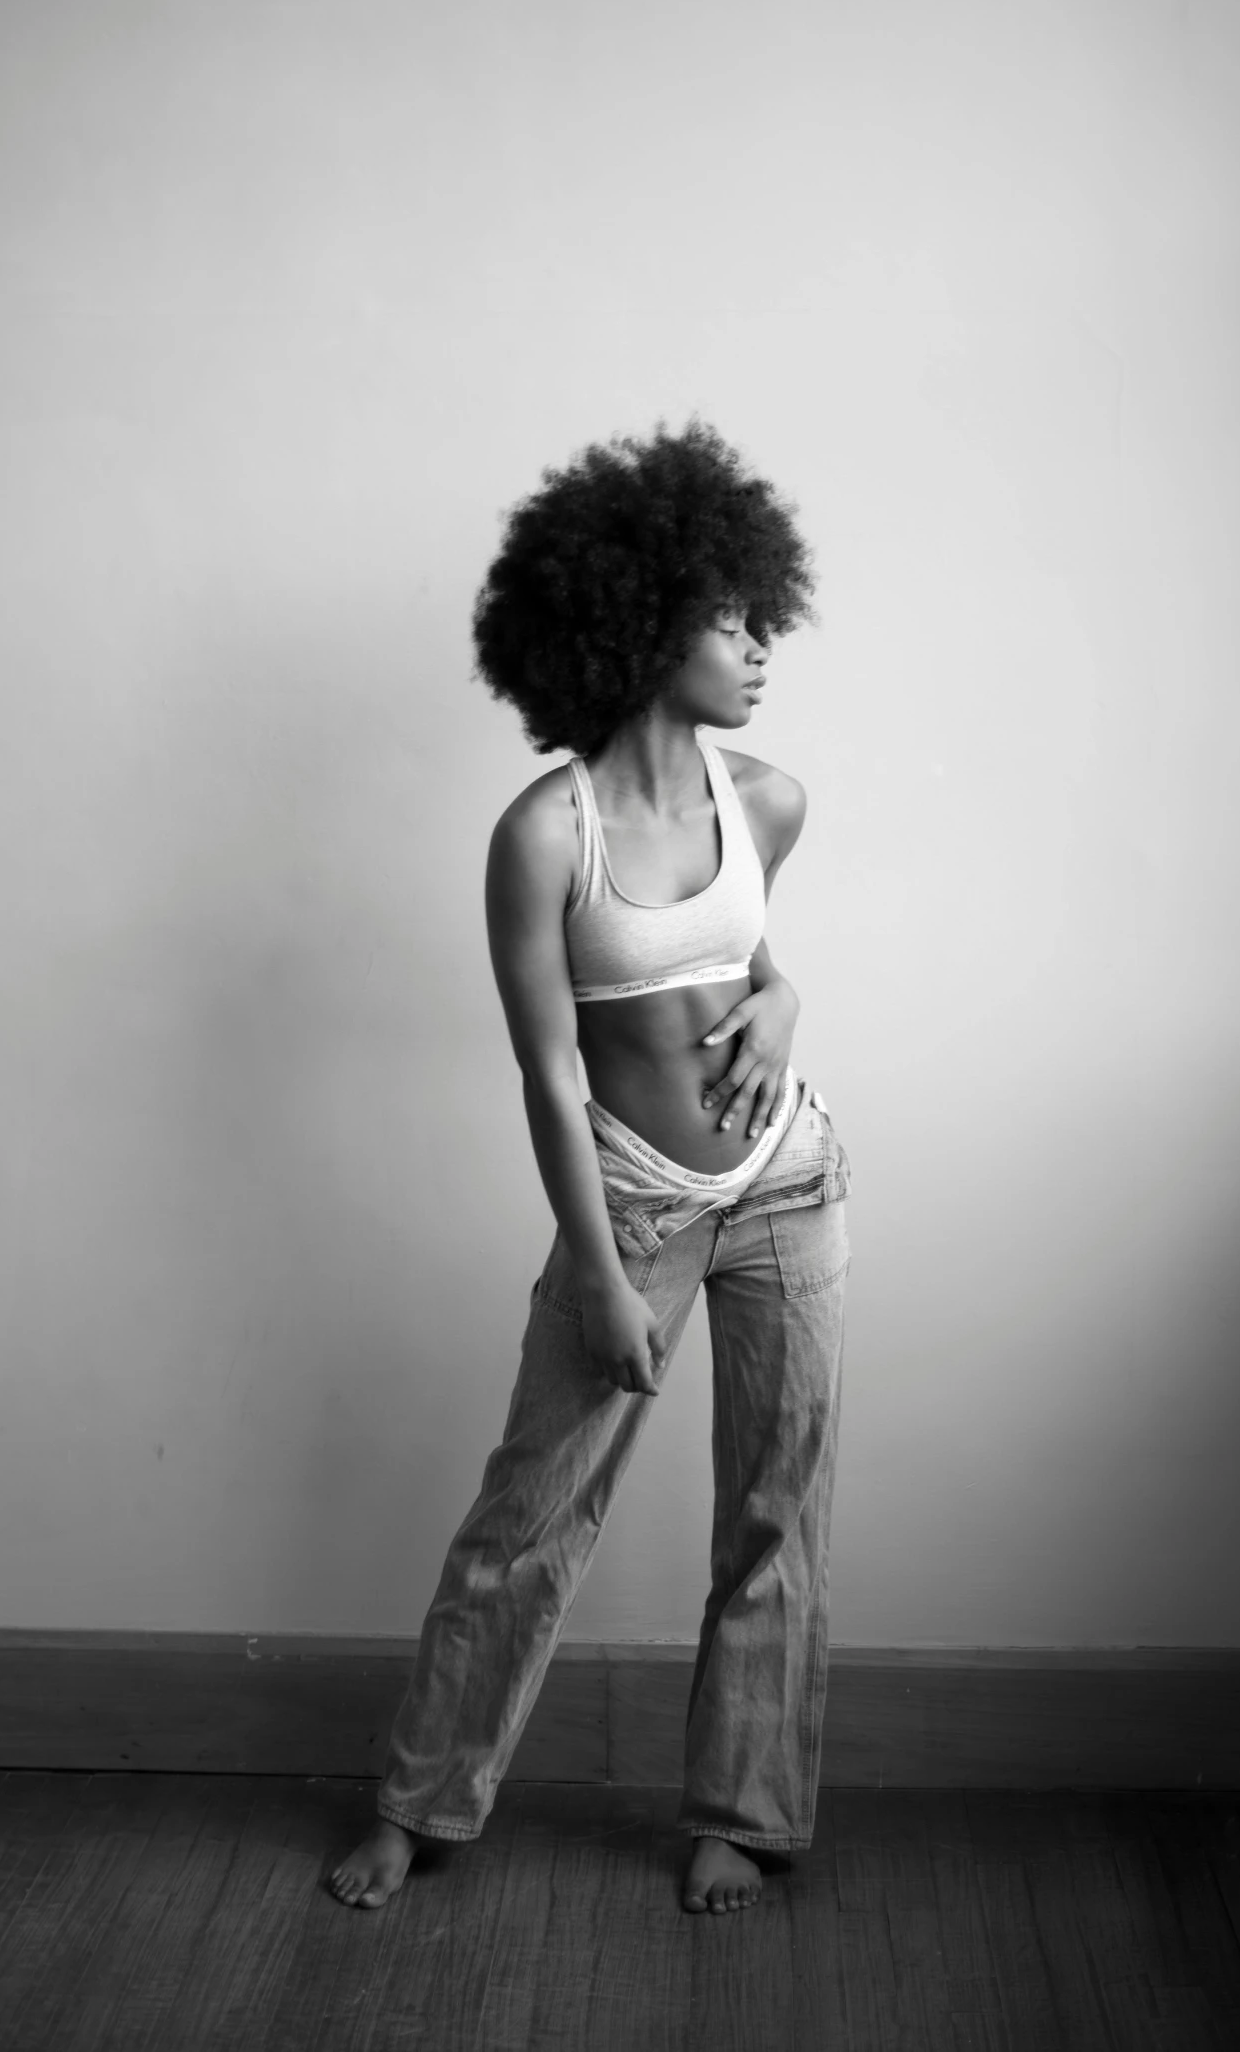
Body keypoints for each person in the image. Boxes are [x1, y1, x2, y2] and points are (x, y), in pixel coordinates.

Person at [330, 420, 851, 1917]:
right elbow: (550, 1069)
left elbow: (749, 965)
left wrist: (785, 998)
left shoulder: (767, 800)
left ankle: (743, 1816)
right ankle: (417, 1806)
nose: (759, 645)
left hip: (788, 1184)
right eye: (727, 617)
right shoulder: (540, 835)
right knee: (529, 1516)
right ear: (631, 622)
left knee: (777, 1506)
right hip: (627, 1202)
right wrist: (607, 1275)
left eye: (763, 614)